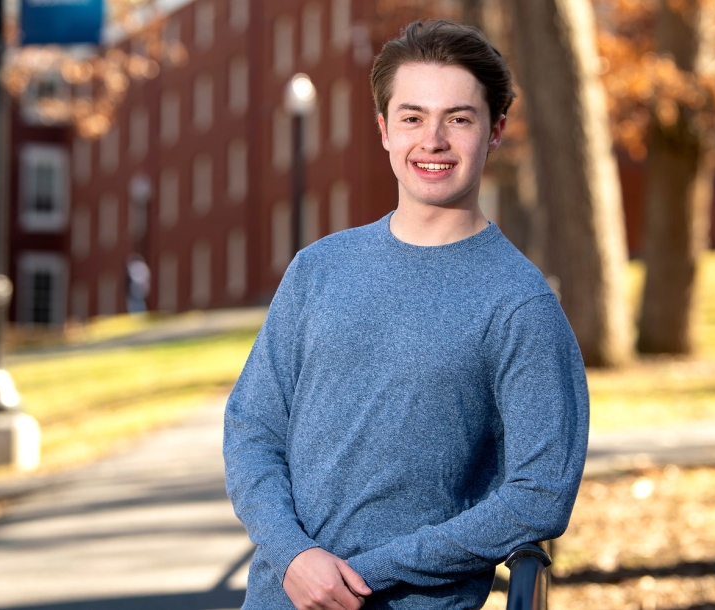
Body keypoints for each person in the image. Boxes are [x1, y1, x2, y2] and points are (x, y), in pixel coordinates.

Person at [224, 20, 589, 610]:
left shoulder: (520, 305)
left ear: (494, 132)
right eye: (413, 117)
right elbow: (252, 429)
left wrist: (368, 573)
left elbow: (539, 493)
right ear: (384, 130)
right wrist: (293, 555)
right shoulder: (318, 269)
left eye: (459, 118)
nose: (434, 140)